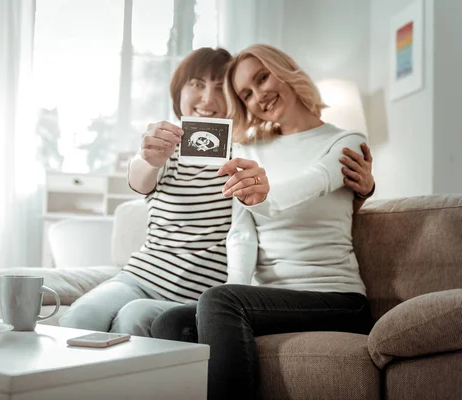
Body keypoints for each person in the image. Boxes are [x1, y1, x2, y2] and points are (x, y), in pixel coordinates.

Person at [59, 47, 374, 339]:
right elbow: (140, 179)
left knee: (134, 318)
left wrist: (362, 191)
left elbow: (302, 191)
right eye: (196, 84)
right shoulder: (166, 149)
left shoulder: (246, 155)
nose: (207, 99)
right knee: (83, 314)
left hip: (203, 292)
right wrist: (147, 158)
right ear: (179, 93)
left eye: (220, 88)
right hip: (142, 277)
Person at [151, 44, 375, 399]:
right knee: (168, 322)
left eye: (262, 77)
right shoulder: (250, 149)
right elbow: (241, 234)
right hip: (269, 300)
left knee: (219, 302)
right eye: (246, 94)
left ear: (285, 70)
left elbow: (315, 182)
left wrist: (263, 196)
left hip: (336, 299)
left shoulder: (346, 140)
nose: (260, 95)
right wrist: (228, 292)